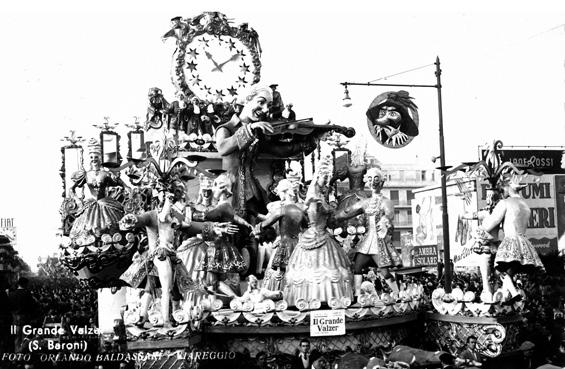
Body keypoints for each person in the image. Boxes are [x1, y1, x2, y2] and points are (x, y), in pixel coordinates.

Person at [284, 157, 353, 307]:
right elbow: (312, 212)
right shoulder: (314, 194)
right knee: (317, 270)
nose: (326, 179)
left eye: (328, 177)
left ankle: (328, 298)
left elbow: (328, 216)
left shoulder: (322, 193)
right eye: (324, 176)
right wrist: (316, 225)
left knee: (332, 268)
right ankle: (313, 298)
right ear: (318, 176)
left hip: (323, 232)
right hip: (315, 233)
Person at [333, 166, 402, 301]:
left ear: (381, 182)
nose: (373, 182)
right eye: (370, 178)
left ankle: (397, 293)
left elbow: (389, 214)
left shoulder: (386, 201)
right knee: (357, 267)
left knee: (384, 271)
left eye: (376, 178)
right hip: (367, 241)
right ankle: (357, 295)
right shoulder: (366, 202)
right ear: (366, 181)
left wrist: (385, 220)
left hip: (378, 242)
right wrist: (334, 216)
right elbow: (349, 211)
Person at [473, 176, 545, 304]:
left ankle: (511, 293)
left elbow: (491, 222)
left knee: (499, 270)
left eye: (504, 189)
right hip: (523, 243)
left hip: (511, 241)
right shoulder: (525, 205)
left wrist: (478, 232)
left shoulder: (505, 203)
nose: (503, 192)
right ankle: (509, 293)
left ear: (509, 188)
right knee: (510, 270)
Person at [67, 138, 129, 240]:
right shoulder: (85, 174)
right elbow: (71, 189)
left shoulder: (106, 174)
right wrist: (78, 201)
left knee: (112, 226)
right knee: (85, 228)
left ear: (100, 158)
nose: (94, 159)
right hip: (91, 203)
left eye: (96, 157)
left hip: (106, 203)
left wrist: (127, 187)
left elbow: (119, 182)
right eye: (91, 157)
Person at [255, 179, 308, 291]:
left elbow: (266, 223)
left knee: (280, 270)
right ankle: (298, 291)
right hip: (298, 244)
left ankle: (281, 291)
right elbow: (306, 226)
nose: (280, 196)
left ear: (284, 192)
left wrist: (255, 229)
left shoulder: (282, 210)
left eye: (280, 193)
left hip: (285, 243)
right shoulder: (299, 210)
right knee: (297, 268)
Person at [9, 277, 38, 352]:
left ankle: (17, 354)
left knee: (16, 337)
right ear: (25, 284)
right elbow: (32, 306)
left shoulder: (12, 294)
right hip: (25, 318)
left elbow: (9, 306)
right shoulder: (27, 293)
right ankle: (23, 354)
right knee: (25, 337)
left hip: (15, 318)